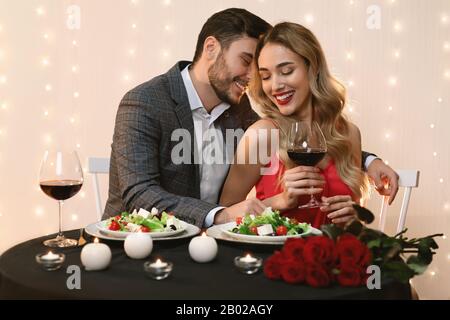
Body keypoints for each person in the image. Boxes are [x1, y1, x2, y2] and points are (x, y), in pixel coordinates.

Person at [104, 9, 398, 228]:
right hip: (137, 242)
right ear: (211, 48)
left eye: (260, 69)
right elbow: (139, 193)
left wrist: (367, 160)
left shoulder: (240, 110)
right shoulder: (145, 102)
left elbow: (295, 135)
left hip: (211, 248)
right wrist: (221, 215)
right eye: (249, 62)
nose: (254, 78)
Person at [220, 22, 370, 228]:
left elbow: (354, 211)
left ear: (313, 68)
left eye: (287, 71)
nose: (275, 86)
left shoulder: (349, 134)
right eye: (265, 76)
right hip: (277, 257)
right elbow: (224, 215)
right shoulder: (262, 135)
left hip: (334, 256)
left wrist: (353, 214)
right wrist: (280, 201)